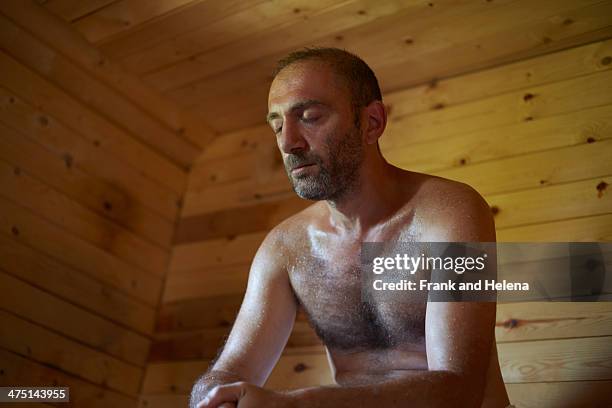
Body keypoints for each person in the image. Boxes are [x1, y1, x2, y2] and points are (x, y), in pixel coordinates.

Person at [190, 48, 511, 408]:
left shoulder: (451, 211)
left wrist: (300, 405)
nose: (287, 142)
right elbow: (229, 372)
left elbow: (460, 390)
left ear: (372, 123)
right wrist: (212, 399)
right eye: (277, 125)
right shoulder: (285, 247)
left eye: (309, 117)